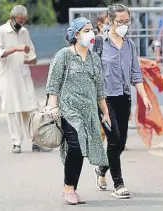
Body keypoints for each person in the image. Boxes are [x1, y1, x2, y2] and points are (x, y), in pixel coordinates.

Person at [45, 17, 111, 205]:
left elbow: (99, 88)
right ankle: (68, 188)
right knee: (75, 146)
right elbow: (53, 83)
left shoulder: (94, 59)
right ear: (76, 35)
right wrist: (52, 106)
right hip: (68, 110)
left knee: (81, 149)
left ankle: (72, 187)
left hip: (89, 111)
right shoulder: (64, 55)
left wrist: (105, 112)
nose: (92, 33)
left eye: (92, 29)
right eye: (86, 30)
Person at [93, 4, 152, 199]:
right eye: (121, 21)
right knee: (114, 139)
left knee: (121, 143)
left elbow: (136, 74)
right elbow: (91, 72)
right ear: (110, 21)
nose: (124, 25)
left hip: (124, 98)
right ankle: (118, 185)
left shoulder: (130, 45)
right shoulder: (99, 43)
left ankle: (101, 169)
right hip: (104, 99)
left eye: (127, 21)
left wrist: (144, 97)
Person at [0, 5, 50, 153]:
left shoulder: (24, 32)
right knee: (13, 110)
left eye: (24, 21)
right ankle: (16, 143)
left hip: (23, 76)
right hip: (7, 77)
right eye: (19, 20)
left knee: (32, 108)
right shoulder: (1, 32)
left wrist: (31, 59)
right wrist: (16, 48)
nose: (21, 23)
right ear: (12, 19)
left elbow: (31, 55)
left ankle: (36, 141)